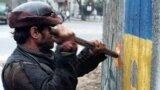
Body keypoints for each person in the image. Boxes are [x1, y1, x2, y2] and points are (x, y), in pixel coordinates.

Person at [1, 1, 107, 90]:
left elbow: (69, 72)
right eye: (51, 28)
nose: (57, 33)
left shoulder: (42, 54)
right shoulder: (18, 68)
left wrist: (91, 54)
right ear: (35, 32)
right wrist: (65, 49)